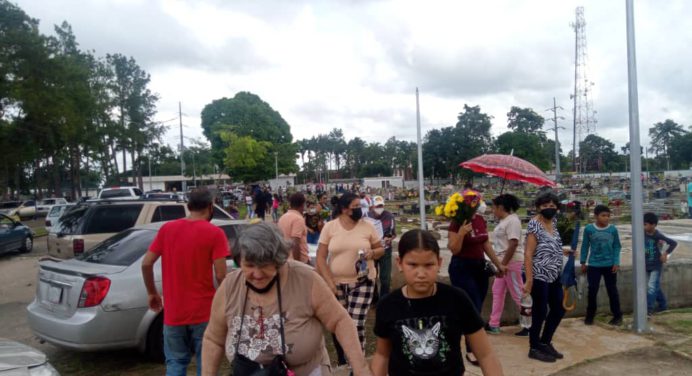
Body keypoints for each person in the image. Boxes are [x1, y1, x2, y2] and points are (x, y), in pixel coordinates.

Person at [201, 223, 372, 376]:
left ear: (279, 261)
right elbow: (213, 339)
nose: (258, 274)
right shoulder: (230, 286)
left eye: (265, 265)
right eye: (250, 265)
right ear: (239, 261)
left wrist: (361, 369)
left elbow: (340, 321)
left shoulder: (305, 279)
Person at [371, 229, 504, 376]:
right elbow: (382, 355)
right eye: (412, 265)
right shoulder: (388, 305)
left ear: (439, 263)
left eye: (429, 265)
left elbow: (485, 354)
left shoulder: (457, 299)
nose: (421, 274)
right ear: (400, 263)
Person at [141, 188, 230, 375]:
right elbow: (221, 275)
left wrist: (152, 293)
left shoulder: (167, 229)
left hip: (174, 311)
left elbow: (146, 263)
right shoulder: (215, 233)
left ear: (189, 206)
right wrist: (228, 302)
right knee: (205, 363)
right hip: (203, 311)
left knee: (175, 362)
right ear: (210, 206)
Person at [316, 192, 384, 369]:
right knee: (340, 324)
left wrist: (372, 253)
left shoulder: (367, 226)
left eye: (360, 206)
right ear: (345, 209)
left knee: (355, 324)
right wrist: (329, 282)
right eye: (356, 207)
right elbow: (321, 257)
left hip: (362, 281)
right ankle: (347, 360)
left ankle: (358, 365)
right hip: (337, 284)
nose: (360, 210)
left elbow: (380, 249)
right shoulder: (330, 227)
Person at [447, 190, 505, 366]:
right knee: (473, 307)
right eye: (474, 202)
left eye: (477, 201)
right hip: (461, 267)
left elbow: (485, 243)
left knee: (477, 306)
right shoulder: (456, 222)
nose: (477, 204)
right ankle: (471, 350)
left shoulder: (480, 220)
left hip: (479, 267)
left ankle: (472, 344)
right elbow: (454, 249)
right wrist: (462, 233)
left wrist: (498, 264)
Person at [523, 192, 566, 363]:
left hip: (554, 274)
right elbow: (528, 253)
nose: (549, 208)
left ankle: (545, 342)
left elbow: (550, 246)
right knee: (540, 312)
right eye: (545, 205)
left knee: (559, 308)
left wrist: (565, 251)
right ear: (539, 207)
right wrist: (529, 279)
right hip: (538, 275)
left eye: (552, 205)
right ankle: (533, 347)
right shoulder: (535, 224)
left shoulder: (553, 222)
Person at [487, 194, 528, 336]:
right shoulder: (504, 221)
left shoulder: (513, 221)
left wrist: (502, 264)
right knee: (497, 292)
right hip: (503, 262)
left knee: (518, 293)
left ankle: (530, 324)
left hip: (510, 262)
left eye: (494, 207)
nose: (493, 210)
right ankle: (494, 324)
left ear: (501, 207)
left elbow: (513, 243)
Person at [580, 204, 623, 326]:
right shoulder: (589, 229)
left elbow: (617, 246)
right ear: (596, 216)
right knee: (592, 290)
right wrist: (583, 261)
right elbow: (585, 246)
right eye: (603, 215)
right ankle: (590, 316)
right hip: (594, 265)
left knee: (612, 291)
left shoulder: (612, 230)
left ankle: (617, 316)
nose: (606, 218)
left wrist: (616, 262)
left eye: (608, 216)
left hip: (610, 265)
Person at [643, 212, 678, 316]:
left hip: (656, 265)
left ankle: (648, 310)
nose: (644, 226)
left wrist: (665, 254)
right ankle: (663, 306)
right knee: (655, 287)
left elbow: (673, 243)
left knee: (651, 287)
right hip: (646, 265)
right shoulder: (642, 234)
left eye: (646, 224)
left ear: (653, 225)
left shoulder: (658, 236)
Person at [369, 195, 396, 299]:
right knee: (372, 276)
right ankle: (373, 298)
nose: (379, 208)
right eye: (377, 206)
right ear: (372, 206)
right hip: (372, 250)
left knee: (385, 277)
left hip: (385, 250)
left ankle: (384, 299)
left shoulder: (389, 216)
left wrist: (389, 238)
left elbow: (393, 233)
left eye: (381, 206)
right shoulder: (366, 216)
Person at [278, 192, 310, 264]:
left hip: (285, 259)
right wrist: (298, 264)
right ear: (302, 205)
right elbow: (295, 243)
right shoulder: (298, 219)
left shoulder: (282, 218)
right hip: (298, 260)